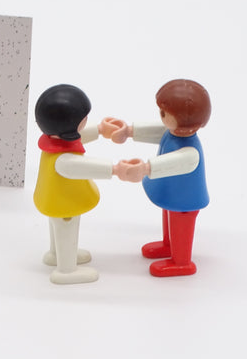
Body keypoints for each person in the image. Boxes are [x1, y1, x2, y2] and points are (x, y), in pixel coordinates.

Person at [102, 79, 211, 277]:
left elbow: (173, 162)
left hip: (185, 200)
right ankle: (169, 245)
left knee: (179, 222)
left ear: (186, 122)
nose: (161, 116)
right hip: (170, 192)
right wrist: (128, 131)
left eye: (165, 113)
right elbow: (155, 131)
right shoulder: (172, 132)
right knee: (168, 216)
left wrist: (145, 168)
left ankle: (181, 262)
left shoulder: (190, 152)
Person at [34, 84, 135, 284]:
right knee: (66, 228)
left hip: (52, 200)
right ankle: (66, 270)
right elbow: (85, 166)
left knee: (57, 227)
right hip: (65, 204)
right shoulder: (63, 160)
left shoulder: (53, 142)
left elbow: (77, 138)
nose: (86, 120)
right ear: (68, 125)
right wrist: (115, 169)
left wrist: (100, 130)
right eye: (83, 119)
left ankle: (56, 254)